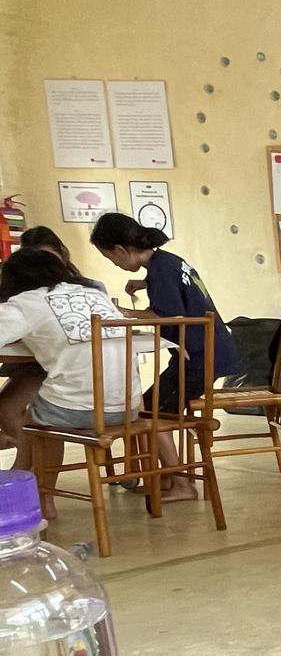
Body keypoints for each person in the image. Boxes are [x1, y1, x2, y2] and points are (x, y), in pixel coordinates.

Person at [90, 213, 243, 501]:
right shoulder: (167, 261)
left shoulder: (160, 270)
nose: (115, 264)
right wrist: (144, 283)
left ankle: (181, 483)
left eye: (111, 259)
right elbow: (179, 289)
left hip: (199, 357)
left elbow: (169, 316)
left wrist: (127, 313)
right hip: (211, 350)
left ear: (121, 250)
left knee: (150, 412)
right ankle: (168, 476)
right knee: (151, 407)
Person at [0, 249, 130, 516]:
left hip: (80, 410)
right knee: (41, 409)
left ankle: (41, 497)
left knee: (37, 421)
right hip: (128, 407)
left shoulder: (27, 302)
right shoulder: (96, 295)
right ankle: (27, 482)